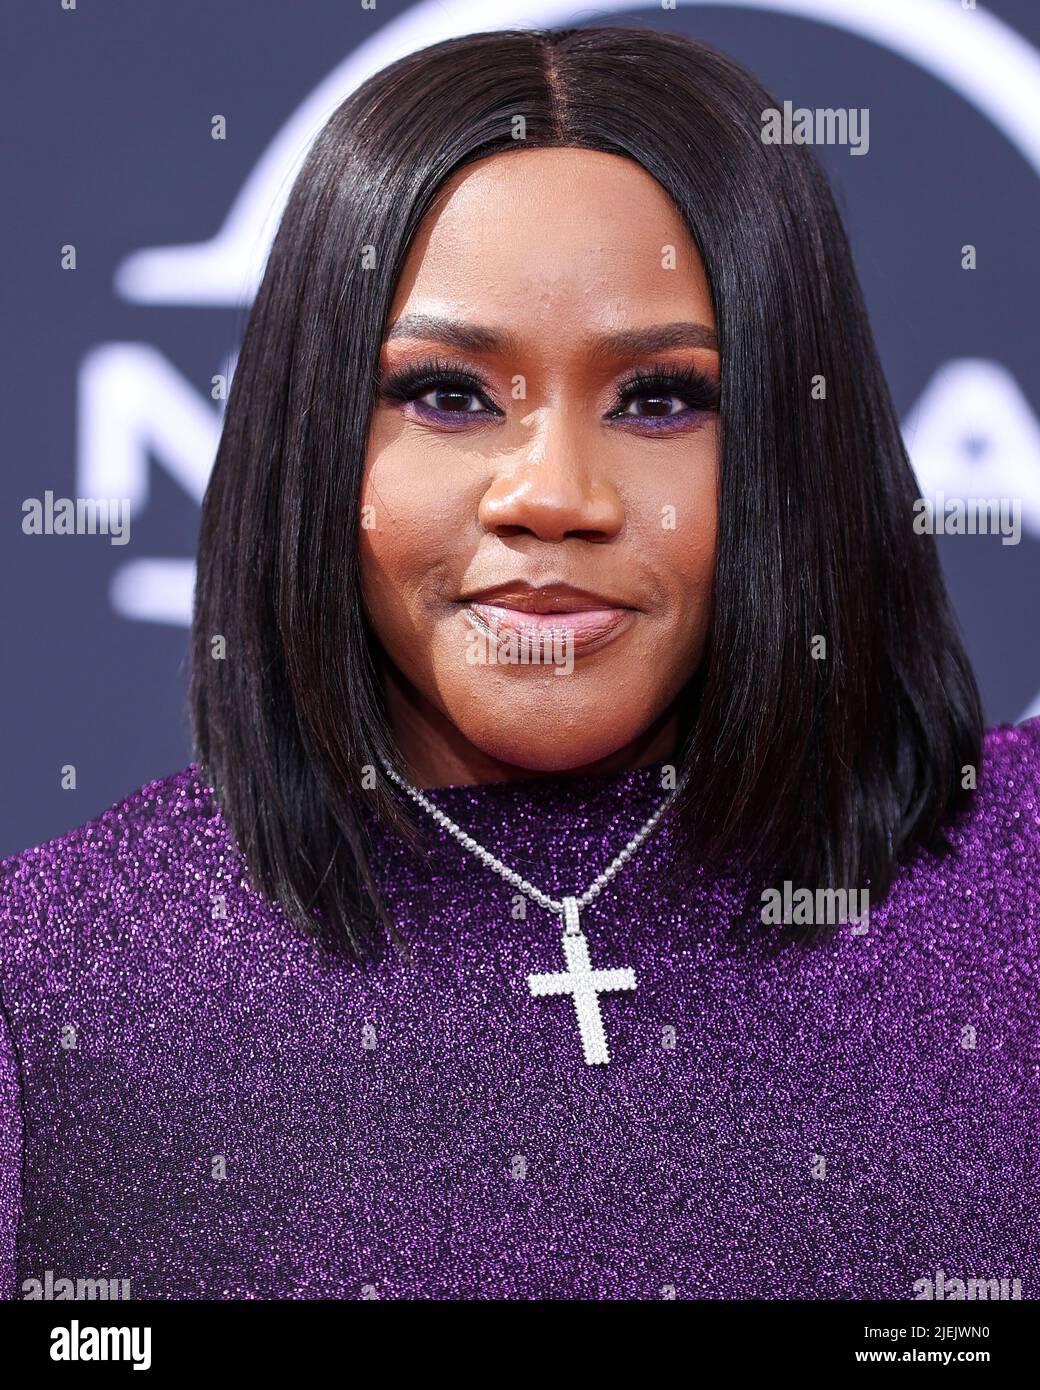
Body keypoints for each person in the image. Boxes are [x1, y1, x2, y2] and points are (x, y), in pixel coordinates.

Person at [2, 25, 1037, 1301]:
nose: (551, 496)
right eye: (446, 394)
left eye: (659, 398)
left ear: (794, 444)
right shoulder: (58, 980)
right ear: (308, 435)